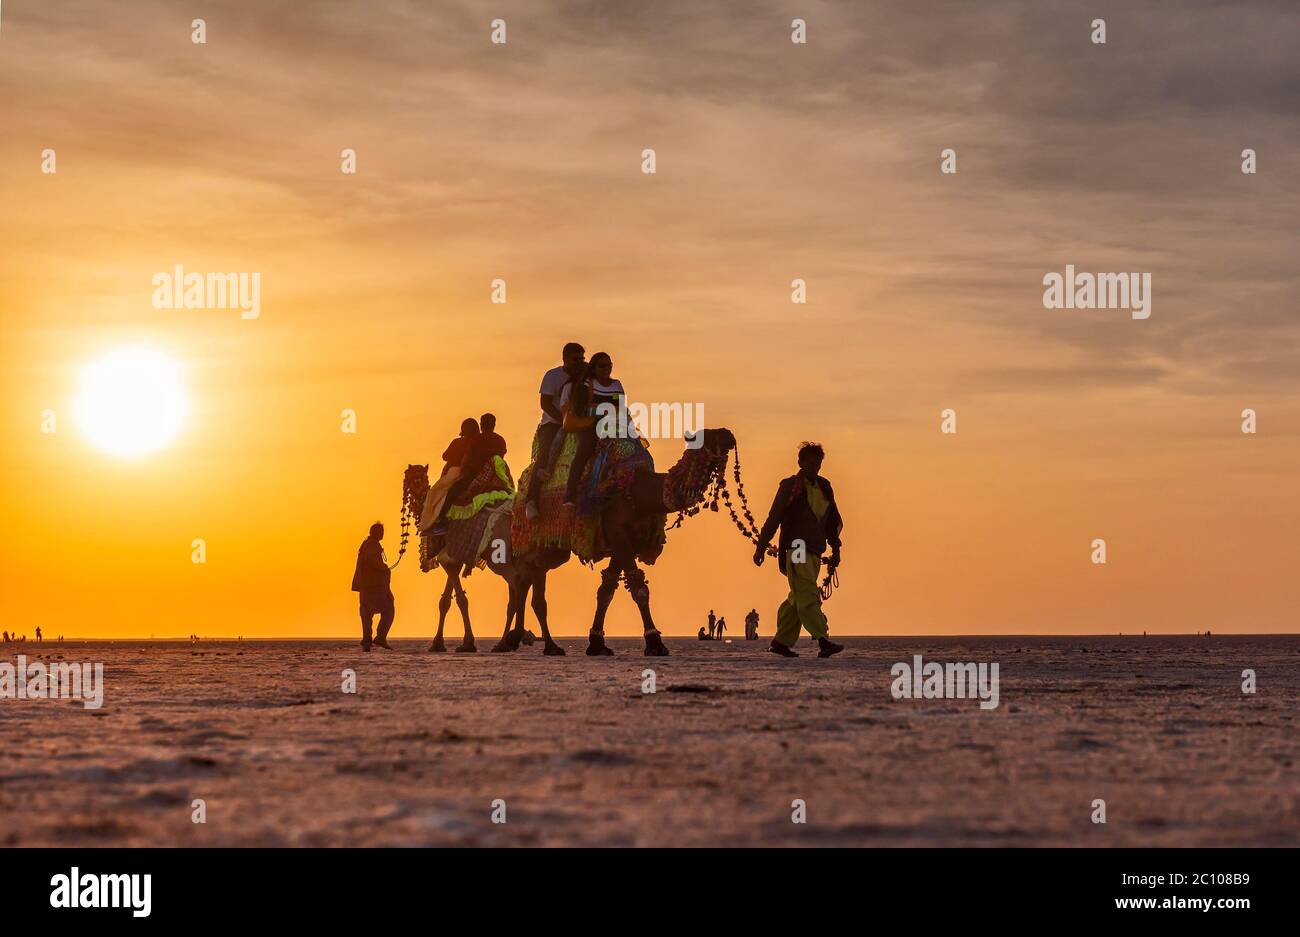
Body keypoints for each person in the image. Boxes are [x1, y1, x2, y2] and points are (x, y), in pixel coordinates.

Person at [754, 442, 845, 659]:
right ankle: (822, 640)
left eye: (818, 463)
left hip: (815, 549)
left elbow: (831, 521)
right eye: (811, 462)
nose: (815, 467)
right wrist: (761, 546)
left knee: (797, 597)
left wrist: (836, 549)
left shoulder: (824, 487)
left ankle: (780, 642)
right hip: (795, 548)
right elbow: (773, 518)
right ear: (801, 463)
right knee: (806, 591)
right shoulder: (789, 486)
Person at [525, 343, 586, 521]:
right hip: (553, 423)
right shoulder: (553, 376)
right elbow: (545, 403)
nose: (579, 362)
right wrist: (563, 420)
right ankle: (531, 500)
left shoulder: (585, 377)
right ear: (565, 358)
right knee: (544, 455)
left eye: (582, 358)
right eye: (576, 359)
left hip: (580, 422)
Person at [558, 352, 626, 507]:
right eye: (602, 365)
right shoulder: (587, 384)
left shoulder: (616, 385)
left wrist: (609, 412)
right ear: (594, 368)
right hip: (590, 425)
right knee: (585, 450)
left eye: (609, 365)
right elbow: (580, 409)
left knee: (632, 450)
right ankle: (570, 493)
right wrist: (602, 411)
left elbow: (620, 407)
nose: (606, 369)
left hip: (613, 426)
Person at [432, 412, 508, 528]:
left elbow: (465, 459)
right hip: (498, 477)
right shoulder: (500, 440)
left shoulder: (477, 439)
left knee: (451, 492)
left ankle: (441, 523)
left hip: (475, 475)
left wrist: (463, 472)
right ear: (494, 425)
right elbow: (501, 458)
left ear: (482, 425)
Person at [421, 418, 480, 535]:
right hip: (472, 473)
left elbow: (445, 456)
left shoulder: (457, 442)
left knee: (434, 493)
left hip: (455, 472)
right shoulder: (477, 443)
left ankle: (436, 523)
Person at [352, 522, 395, 651]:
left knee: (366, 614)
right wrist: (383, 568)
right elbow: (371, 560)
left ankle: (367, 639)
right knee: (388, 610)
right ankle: (380, 637)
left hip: (367, 586)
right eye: (380, 532)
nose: (382, 534)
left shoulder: (367, 544)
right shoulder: (372, 545)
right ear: (375, 532)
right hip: (375, 586)